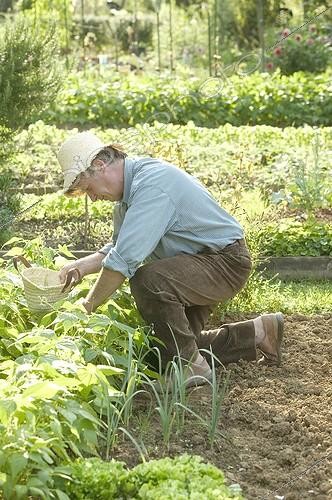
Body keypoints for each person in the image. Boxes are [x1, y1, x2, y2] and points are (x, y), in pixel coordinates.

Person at [57, 131, 284, 389]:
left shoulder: (152, 186)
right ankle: (259, 332)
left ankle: (192, 368)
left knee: (147, 281)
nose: (93, 198)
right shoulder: (127, 200)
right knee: (164, 355)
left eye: (88, 189)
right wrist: (80, 266)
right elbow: (118, 247)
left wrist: (87, 307)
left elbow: (123, 262)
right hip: (196, 265)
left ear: (100, 165)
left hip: (224, 263)